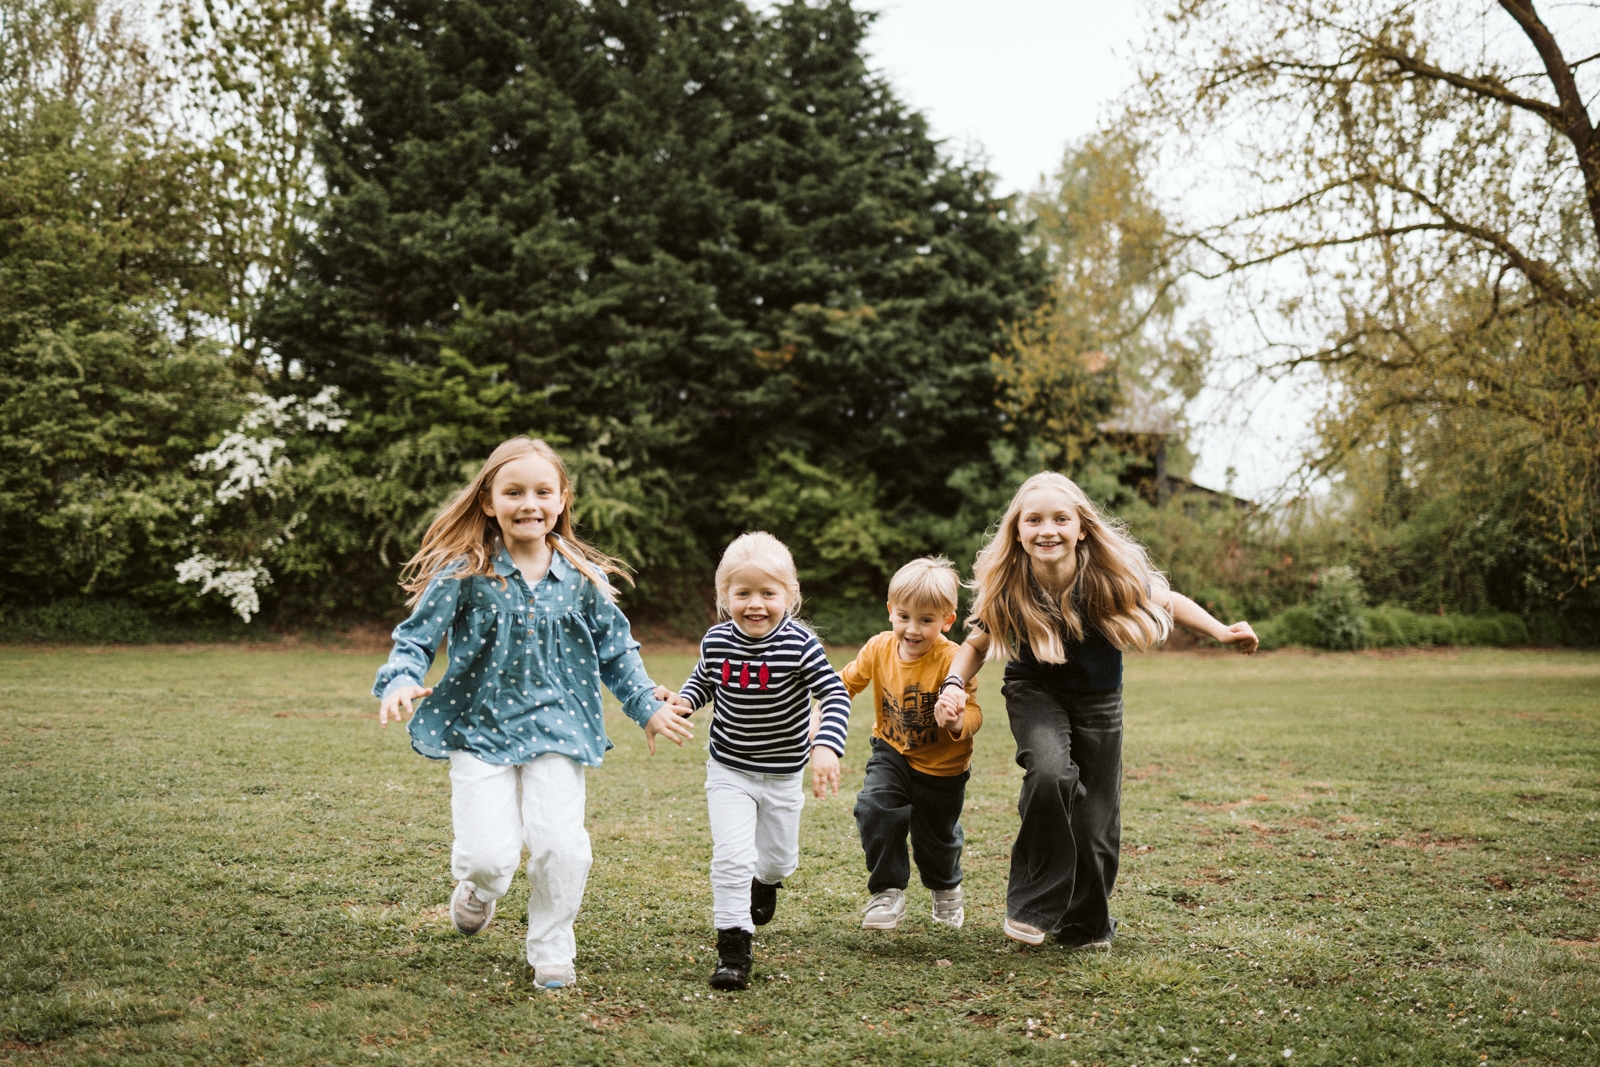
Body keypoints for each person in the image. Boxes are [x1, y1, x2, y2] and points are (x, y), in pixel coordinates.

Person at [373, 436, 693, 990]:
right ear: (489, 502)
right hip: (479, 729)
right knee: (488, 858)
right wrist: (401, 677)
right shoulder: (463, 570)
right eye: (513, 491)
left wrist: (645, 706)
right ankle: (478, 889)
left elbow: (617, 650)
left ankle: (551, 948)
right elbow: (416, 639)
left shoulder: (584, 578)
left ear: (562, 499)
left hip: (560, 728)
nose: (529, 503)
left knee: (561, 844)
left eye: (542, 491)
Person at [934, 472, 1257, 949]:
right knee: (1050, 774)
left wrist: (1223, 631)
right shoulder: (1010, 583)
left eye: (1061, 519)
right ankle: (1031, 906)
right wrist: (954, 683)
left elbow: (1172, 600)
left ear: (1081, 528)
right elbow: (976, 644)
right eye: (1035, 520)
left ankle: (1085, 927)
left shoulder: (1108, 577)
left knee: (1096, 825)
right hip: (1034, 691)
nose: (1048, 529)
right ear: (1018, 532)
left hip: (1100, 701)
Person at [670, 532, 852, 991]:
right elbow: (702, 686)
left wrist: (826, 745)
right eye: (743, 592)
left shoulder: (801, 645)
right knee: (731, 857)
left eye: (768, 593)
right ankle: (733, 949)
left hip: (784, 774)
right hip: (729, 770)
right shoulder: (716, 642)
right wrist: (679, 704)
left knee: (776, 862)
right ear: (724, 597)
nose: (756, 603)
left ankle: (766, 881)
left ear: (789, 596)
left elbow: (833, 693)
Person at [840, 557, 981, 931]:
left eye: (926, 620)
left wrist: (955, 721)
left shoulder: (955, 661)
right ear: (890, 612)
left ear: (947, 620)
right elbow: (845, 682)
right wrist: (818, 703)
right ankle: (887, 892)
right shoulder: (877, 648)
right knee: (875, 808)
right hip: (891, 750)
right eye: (904, 617)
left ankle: (945, 886)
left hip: (943, 766)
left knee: (936, 838)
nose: (913, 629)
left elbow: (975, 715)